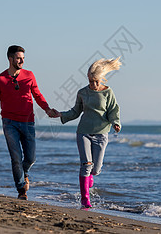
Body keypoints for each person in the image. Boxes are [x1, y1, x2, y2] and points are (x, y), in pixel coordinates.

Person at [0, 45, 57, 200]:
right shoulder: (0, 79)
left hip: (28, 121)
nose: (22, 61)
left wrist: (47, 109)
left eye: (23, 58)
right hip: (9, 123)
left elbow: (37, 94)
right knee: (16, 157)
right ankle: (21, 189)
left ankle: (25, 174)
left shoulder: (29, 75)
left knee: (31, 158)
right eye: (18, 58)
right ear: (10, 59)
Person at [53, 57, 121, 208]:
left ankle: (90, 177)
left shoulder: (108, 93)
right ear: (88, 79)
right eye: (91, 81)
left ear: (102, 79)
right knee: (86, 164)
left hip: (101, 134)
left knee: (96, 169)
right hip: (83, 132)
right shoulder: (82, 92)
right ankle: (85, 200)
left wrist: (116, 122)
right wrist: (61, 115)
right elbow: (76, 111)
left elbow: (113, 110)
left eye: (96, 81)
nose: (94, 85)